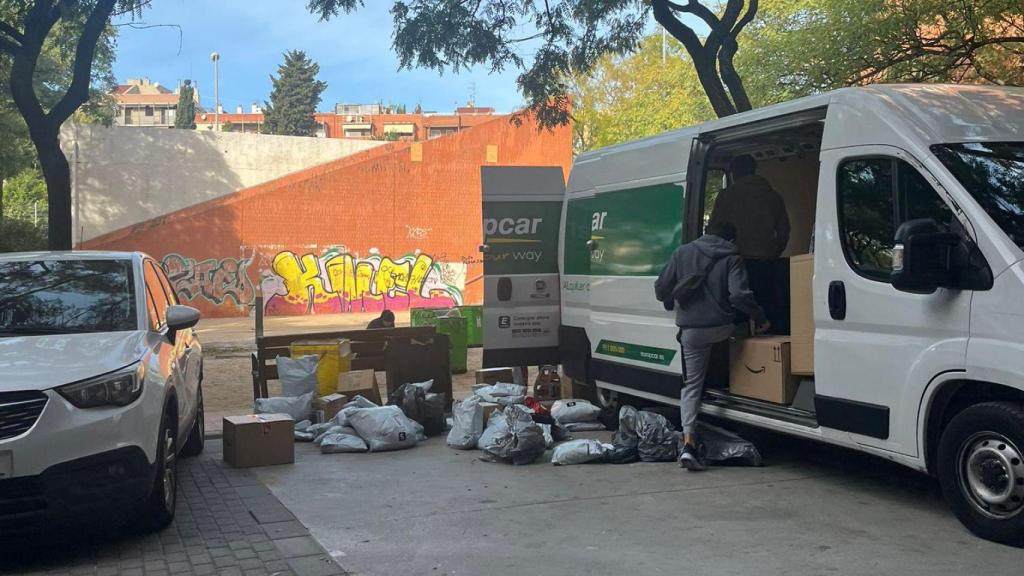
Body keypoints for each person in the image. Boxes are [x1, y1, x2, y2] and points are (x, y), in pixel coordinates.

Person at [655, 221, 768, 471]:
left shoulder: (682, 252)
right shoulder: (732, 258)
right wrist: (760, 318)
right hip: (722, 328)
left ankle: (689, 444)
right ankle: (745, 384)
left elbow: (661, 289)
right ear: (731, 239)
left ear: (706, 233)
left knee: (692, 386)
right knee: (745, 333)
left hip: (692, 331)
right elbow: (739, 296)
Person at [708, 155, 790, 259]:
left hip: (735, 259)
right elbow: (784, 231)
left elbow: (713, 230)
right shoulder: (773, 196)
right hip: (765, 258)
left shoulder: (726, 197)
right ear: (753, 170)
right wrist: (774, 252)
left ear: (734, 173)